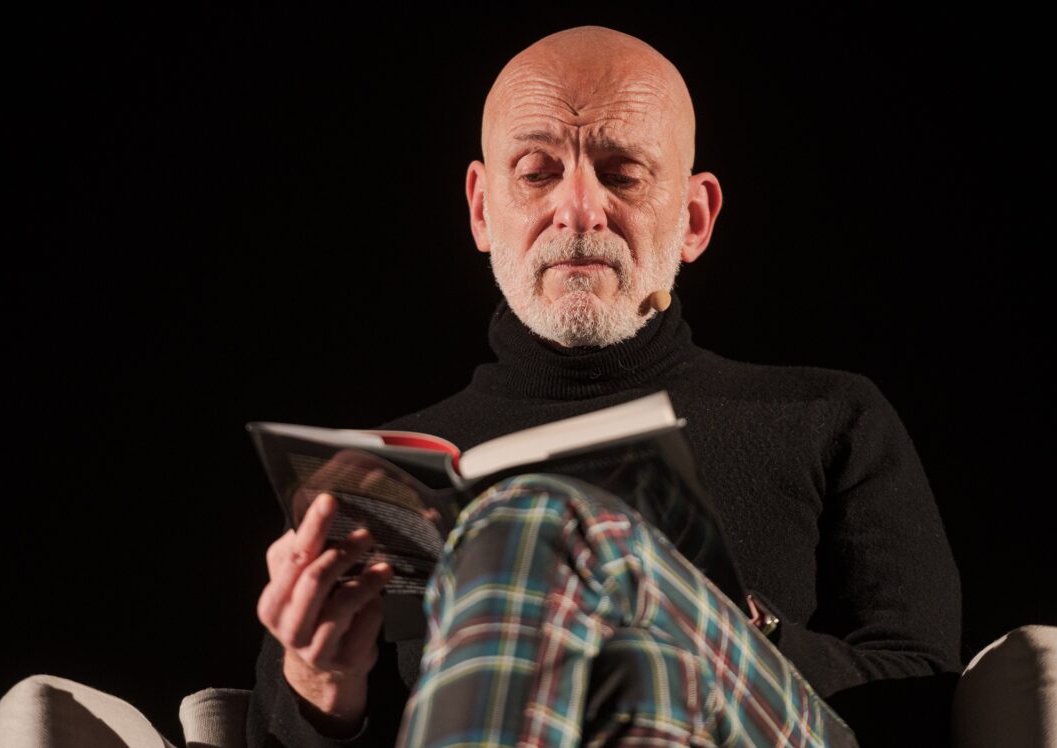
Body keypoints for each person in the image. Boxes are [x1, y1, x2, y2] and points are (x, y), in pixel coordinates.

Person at [249, 25, 962, 747]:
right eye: (537, 172)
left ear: (694, 219)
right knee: (636, 665)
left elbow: (926, 697)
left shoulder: (827, 417)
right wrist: (320, 685)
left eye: (623, 174)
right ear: (481, 209)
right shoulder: (377, 483)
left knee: (538, 519)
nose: (579, 209)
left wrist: (726, 621)